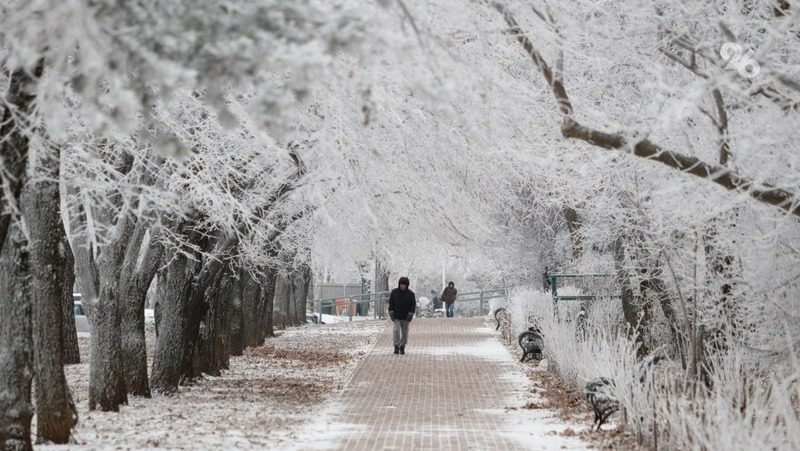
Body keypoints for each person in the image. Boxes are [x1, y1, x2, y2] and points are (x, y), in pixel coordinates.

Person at [388, 276, 416, 355]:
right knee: (396, 330)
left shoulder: (411, 294)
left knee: (405, 333)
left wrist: (411, 314)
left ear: (407, 285)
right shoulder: (394, 292)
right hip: (396, 316)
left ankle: (402, 346)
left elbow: (413, 305)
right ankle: (396, 345)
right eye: (401, 284)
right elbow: (391, 303)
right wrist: (391, 312)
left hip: (406, 317)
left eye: (404, 284)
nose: (402, 286)